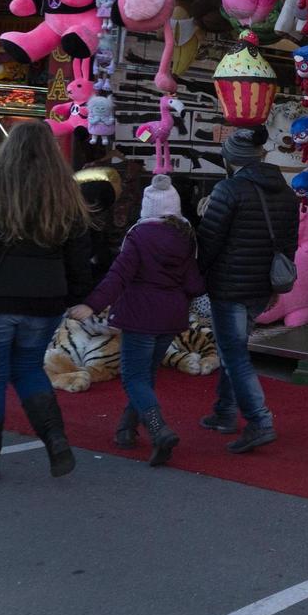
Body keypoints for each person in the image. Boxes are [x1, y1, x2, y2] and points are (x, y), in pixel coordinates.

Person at [70, 175, 203, 467]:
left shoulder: (138, 237)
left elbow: (118, 276)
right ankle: (126, 429)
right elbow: (194, 283)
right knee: (146, 375)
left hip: (140, 316)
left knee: (133, 377)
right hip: (171, 317)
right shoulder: (185, 237)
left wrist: (91, 304)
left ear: (146, 208)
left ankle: (159, 430)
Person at [0, 122, 92, 480]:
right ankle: (55, 440)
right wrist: (76, 296)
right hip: (46, 297)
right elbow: (79, 254)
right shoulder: (64, 192)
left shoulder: (0, 187)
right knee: (28, 370)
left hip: (1, 295)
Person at [196, 127, 298, 453]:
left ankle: (259, 420)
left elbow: (209, 242)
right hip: (261, 284)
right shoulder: (285, 192)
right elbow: (288, 244)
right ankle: (224, 412)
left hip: (229, 283)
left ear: (231, 159)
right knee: (234, 348)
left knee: (233, 354)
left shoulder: (228, 191)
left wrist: (196, 276)